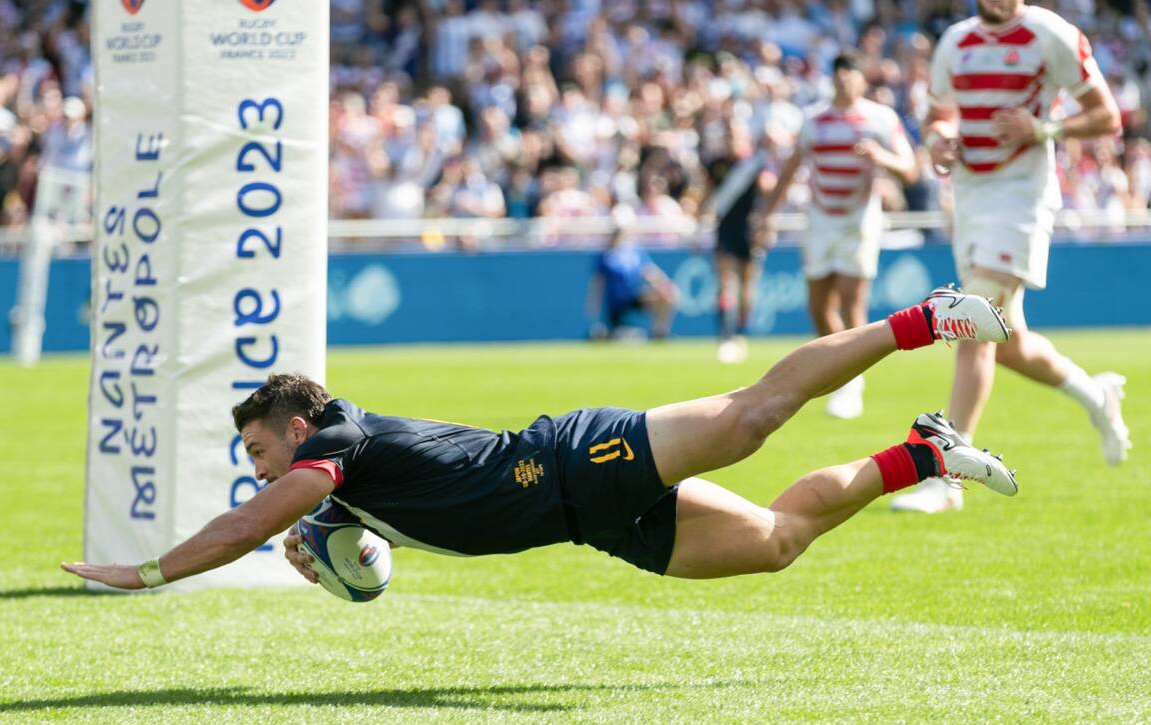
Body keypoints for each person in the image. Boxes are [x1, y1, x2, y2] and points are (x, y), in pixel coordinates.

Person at [63, 288, 1017, 592]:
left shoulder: (336, 443)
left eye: (259, 451)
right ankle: (924, 454)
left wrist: (147, 573)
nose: (258, 468)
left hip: (572, 459)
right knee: (774, 544)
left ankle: (922, 322)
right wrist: (333, 555)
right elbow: (361, 552)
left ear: (298, 427)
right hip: (584, 521)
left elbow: (238, 530)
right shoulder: (334, 485)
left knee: (749, 418)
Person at [891, 0, 1132, 514]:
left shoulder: (1053, 34)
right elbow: (937, 113)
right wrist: (937, 141)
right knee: (1008, 341)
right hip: (971, 195)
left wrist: (1044, 129)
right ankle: (1097, 398)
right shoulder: (956, 41)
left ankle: (946, 475)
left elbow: (1106, 116)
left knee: (973, 323)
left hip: (1022, 195)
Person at [756, 50, 919, 420]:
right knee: (819, 308)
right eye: (839, 72)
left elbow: (910, 170)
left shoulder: (880, 118)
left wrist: (881, 158)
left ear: (863, 79)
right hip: (819, 218)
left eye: (852, 72)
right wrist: (767, 214)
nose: (845, 78)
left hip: (859, 219)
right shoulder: (814, 119)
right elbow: (791, 168)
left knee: (852, 304)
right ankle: (841, 372)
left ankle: (851, 384)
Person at [702, 124, 767, 364]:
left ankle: (740, 334)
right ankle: (725, 335)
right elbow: (707, 193)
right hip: (724, 229)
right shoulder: (716, 164)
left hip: (748, 229)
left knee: (747, 286)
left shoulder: (754, 166)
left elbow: (766, 194)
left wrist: (765, 225)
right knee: (725, 282)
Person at [584, 214, 678, 340]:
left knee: (668, 298)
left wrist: (663, 285)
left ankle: (659, 333)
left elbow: (649, 272)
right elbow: (598, 282)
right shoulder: (605, 256)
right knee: (615, 335)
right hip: (616, 303)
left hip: (634, 297)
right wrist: (593, 304)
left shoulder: (635, 252)